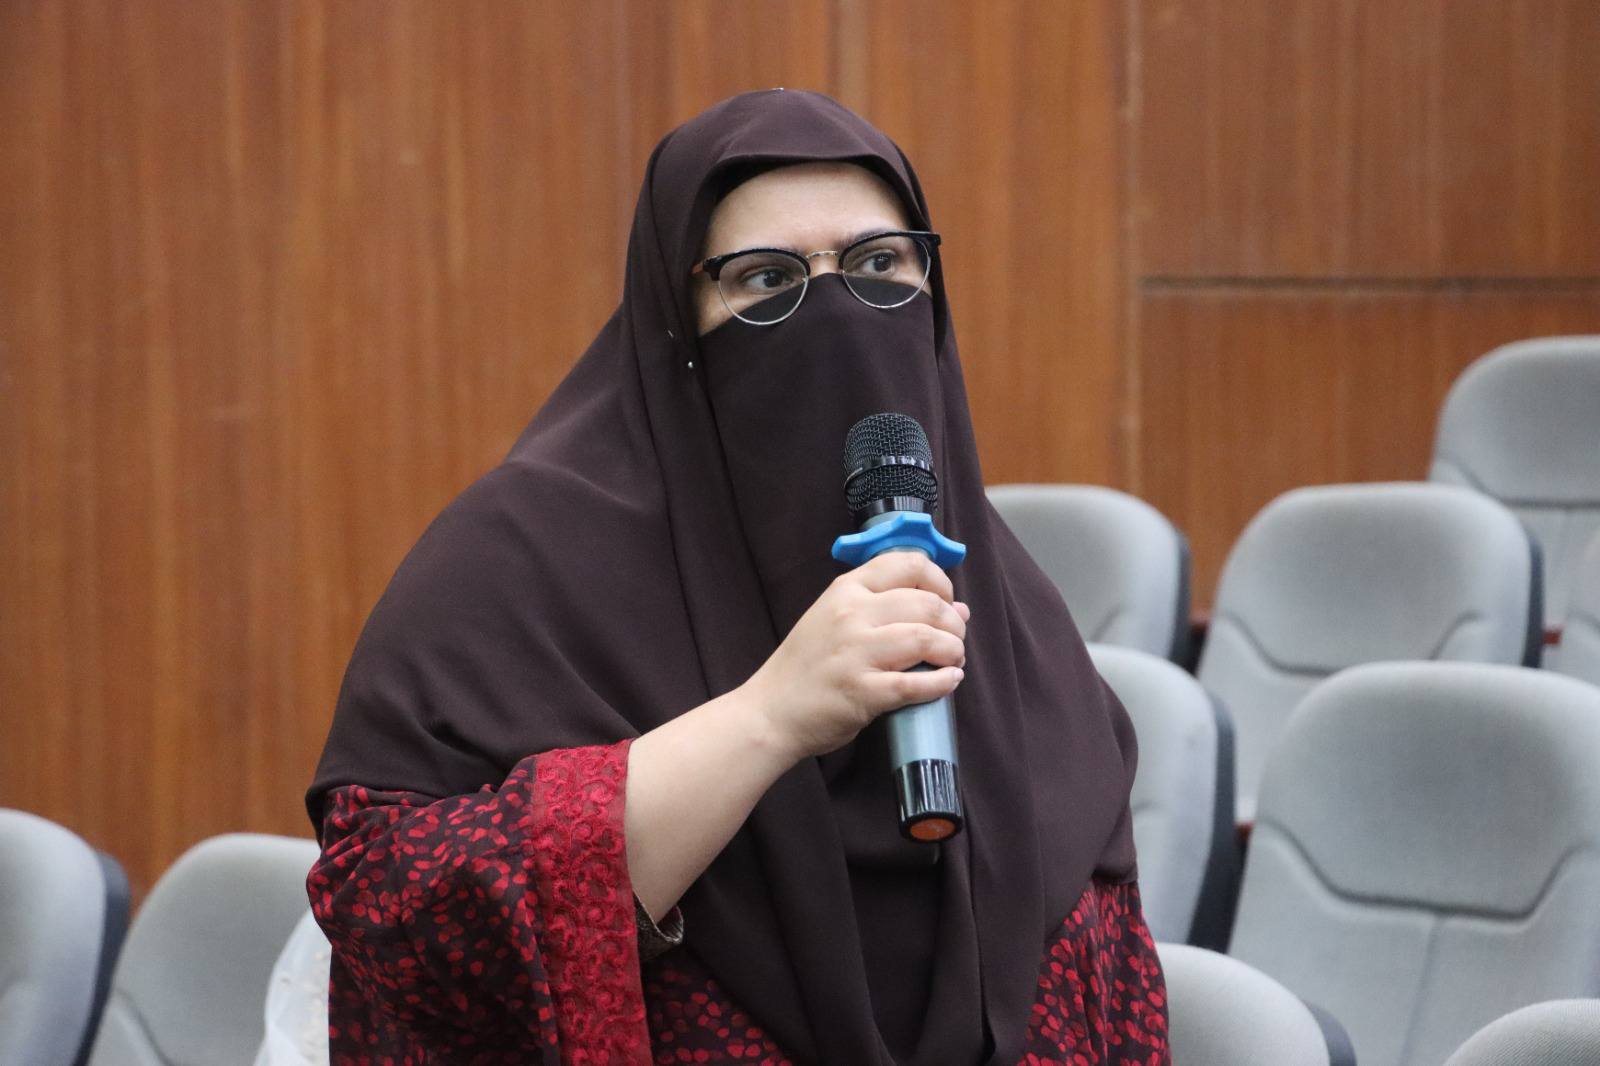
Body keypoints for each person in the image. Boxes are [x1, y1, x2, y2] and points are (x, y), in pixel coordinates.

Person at [307, 89, 1168, 1066]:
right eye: (765, 279)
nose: (839, 315)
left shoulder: (1014, 621)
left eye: (880, 265)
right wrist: (770, 717)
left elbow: (1115, 1005)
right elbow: (398, 920)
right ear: (674, 324)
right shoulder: (516, 564)